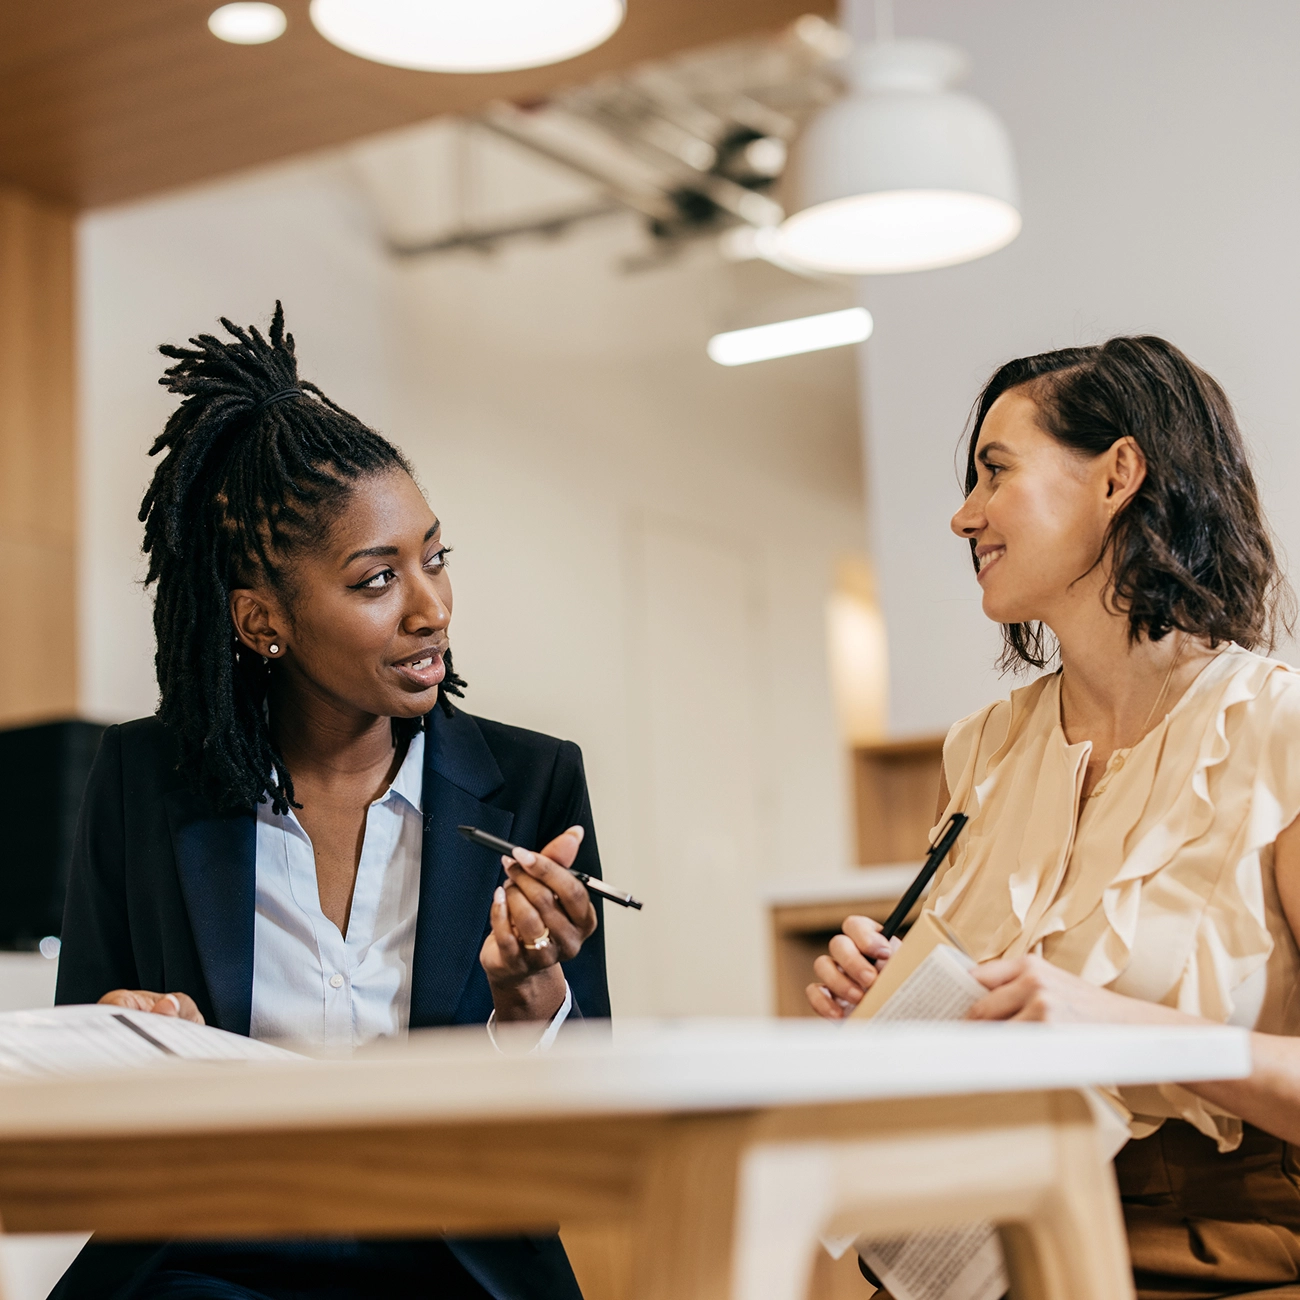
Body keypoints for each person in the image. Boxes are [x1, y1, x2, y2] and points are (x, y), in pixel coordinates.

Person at [52, 305, 609, 1300]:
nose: (429, 607)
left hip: (450, 1269)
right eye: (375, 578)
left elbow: (583, 1126)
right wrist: (123, 1032)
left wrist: (533, 1003)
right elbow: (68, 1078)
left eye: (435, 558)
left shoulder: (533, 786)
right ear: (263, 621)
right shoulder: (143, 781)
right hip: (206, 1266)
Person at [808, 336, 1300, 1300]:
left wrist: (1116, 1026)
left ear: (1118, 474)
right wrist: (885, 995)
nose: (963, 516)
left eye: (994, 472)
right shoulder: (983, 749)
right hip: (984, 1237)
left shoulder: (1279, 733)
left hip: (1215, 1253)